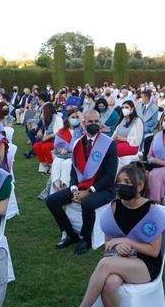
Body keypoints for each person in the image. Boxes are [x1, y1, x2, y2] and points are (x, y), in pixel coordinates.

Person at [52, 164, 165, 307]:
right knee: (111, 282)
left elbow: (154, 251)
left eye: (128, 182)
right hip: (120, 260)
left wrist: (126, 241)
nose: (122, 186)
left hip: (145, 265)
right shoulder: (116, 206)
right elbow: (108, 242)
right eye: (119, 182)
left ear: (139, 186)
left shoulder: (152, 210)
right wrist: (117, 244)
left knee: (105, 264)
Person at [45, 108, 118, 255]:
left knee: (87, 203)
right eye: (90, 121)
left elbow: (110, 175)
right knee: (51, 200)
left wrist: (89, 191)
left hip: (103, 189)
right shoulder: (78, 143)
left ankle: (86, 239)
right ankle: (70, 234)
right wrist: (73, 189)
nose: (94, 124)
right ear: (83, 124)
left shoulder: (109, 144)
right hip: (81, 186)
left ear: (100, 123)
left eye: (96, 121)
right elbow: (74, 170)